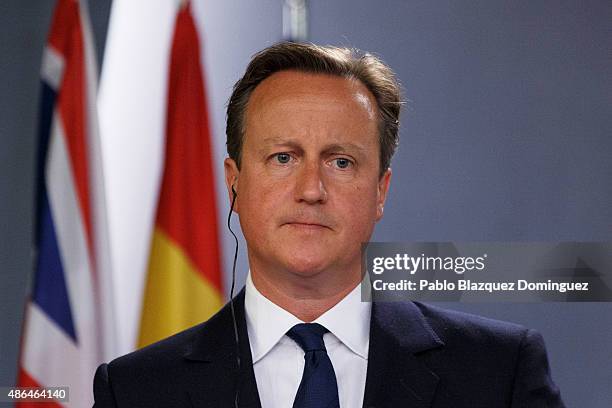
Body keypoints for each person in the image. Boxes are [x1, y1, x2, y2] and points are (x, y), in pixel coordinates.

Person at [93, 42, 565, 407]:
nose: (311, 189)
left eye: (340, 162)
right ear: (234, 184)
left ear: (380, 191)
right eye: (283, 158)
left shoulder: (498, 371)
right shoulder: (136, 390)